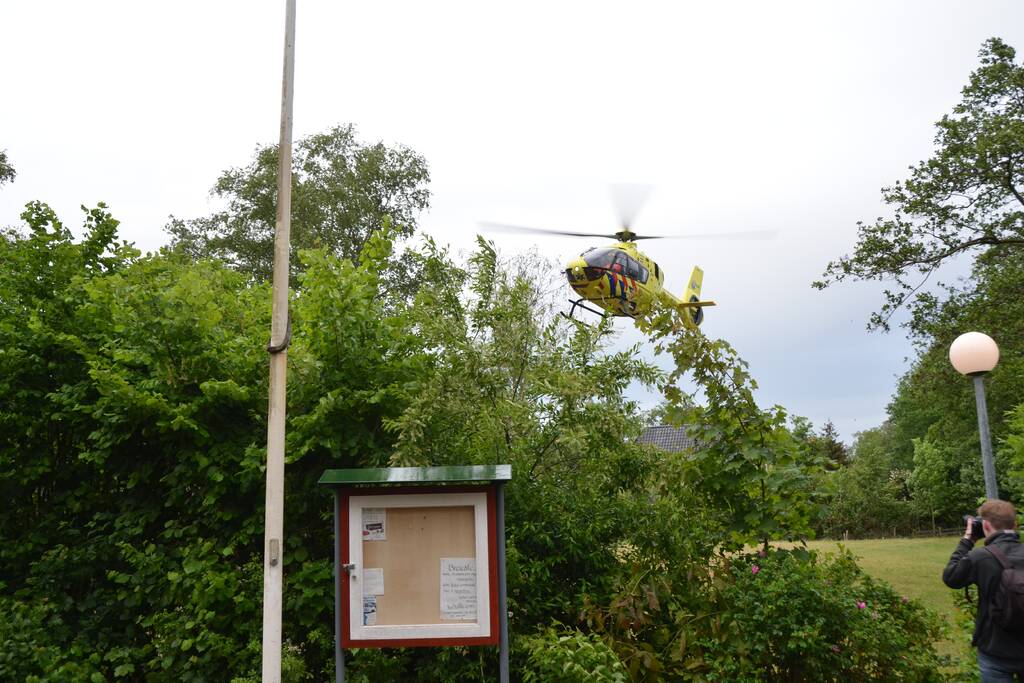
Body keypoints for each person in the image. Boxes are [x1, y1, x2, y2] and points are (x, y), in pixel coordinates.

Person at [943, 499, 1024, 682]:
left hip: (995, 647)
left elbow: (951, 577)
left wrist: (968, 540)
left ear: (985, 524)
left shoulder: (981, 557)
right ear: (1015, 524)